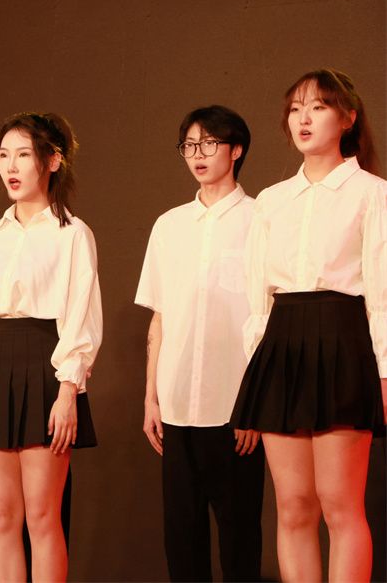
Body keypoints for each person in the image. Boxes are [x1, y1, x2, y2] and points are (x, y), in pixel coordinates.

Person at [230, 69, 387, 582]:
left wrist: (385, 373)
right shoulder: (272, 200)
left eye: (318, 106)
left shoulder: (372, 193)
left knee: (340, 504)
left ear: (348, 117)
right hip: (282, 345)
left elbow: (382, 296)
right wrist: (255, 374)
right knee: (293, 505)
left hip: (343, 341)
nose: (304, 118)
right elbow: (258, 299)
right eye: (296, 108)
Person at [0, 112, 102, 582]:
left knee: (43, 517)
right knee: (0, 517)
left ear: (52, 161)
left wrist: (69, 392)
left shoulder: (73, 234)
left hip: (45, 370)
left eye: (23, 155)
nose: (10, 167)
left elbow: (81, 317)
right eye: (3, 156)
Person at [136, 106, 264, 581]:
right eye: (189, 145)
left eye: (209, 143)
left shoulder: (261, 219)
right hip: (175, 407)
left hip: (234, 407)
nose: (198, 154)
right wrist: (151, 397)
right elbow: (160, 317)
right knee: (182, 536)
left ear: (236, 150)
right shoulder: (168, 225)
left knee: (239, 535)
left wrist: (257, 405)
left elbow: (269, 319)